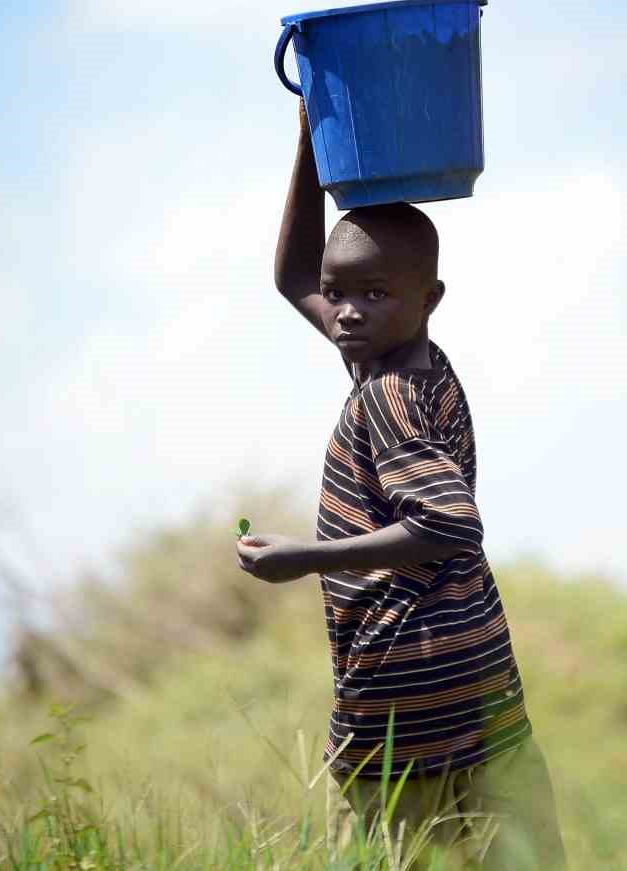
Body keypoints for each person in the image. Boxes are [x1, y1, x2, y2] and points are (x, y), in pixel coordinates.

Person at [236, 101, 565, 869]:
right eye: (339, 291)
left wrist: (305, 557)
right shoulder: (400, 356)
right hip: (483, 718)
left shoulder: (387, 397)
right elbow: (293, 276)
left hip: (413, 742)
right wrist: (310, 145)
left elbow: (451, 523)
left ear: (430, 298)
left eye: (373, 294)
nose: (346, 312)